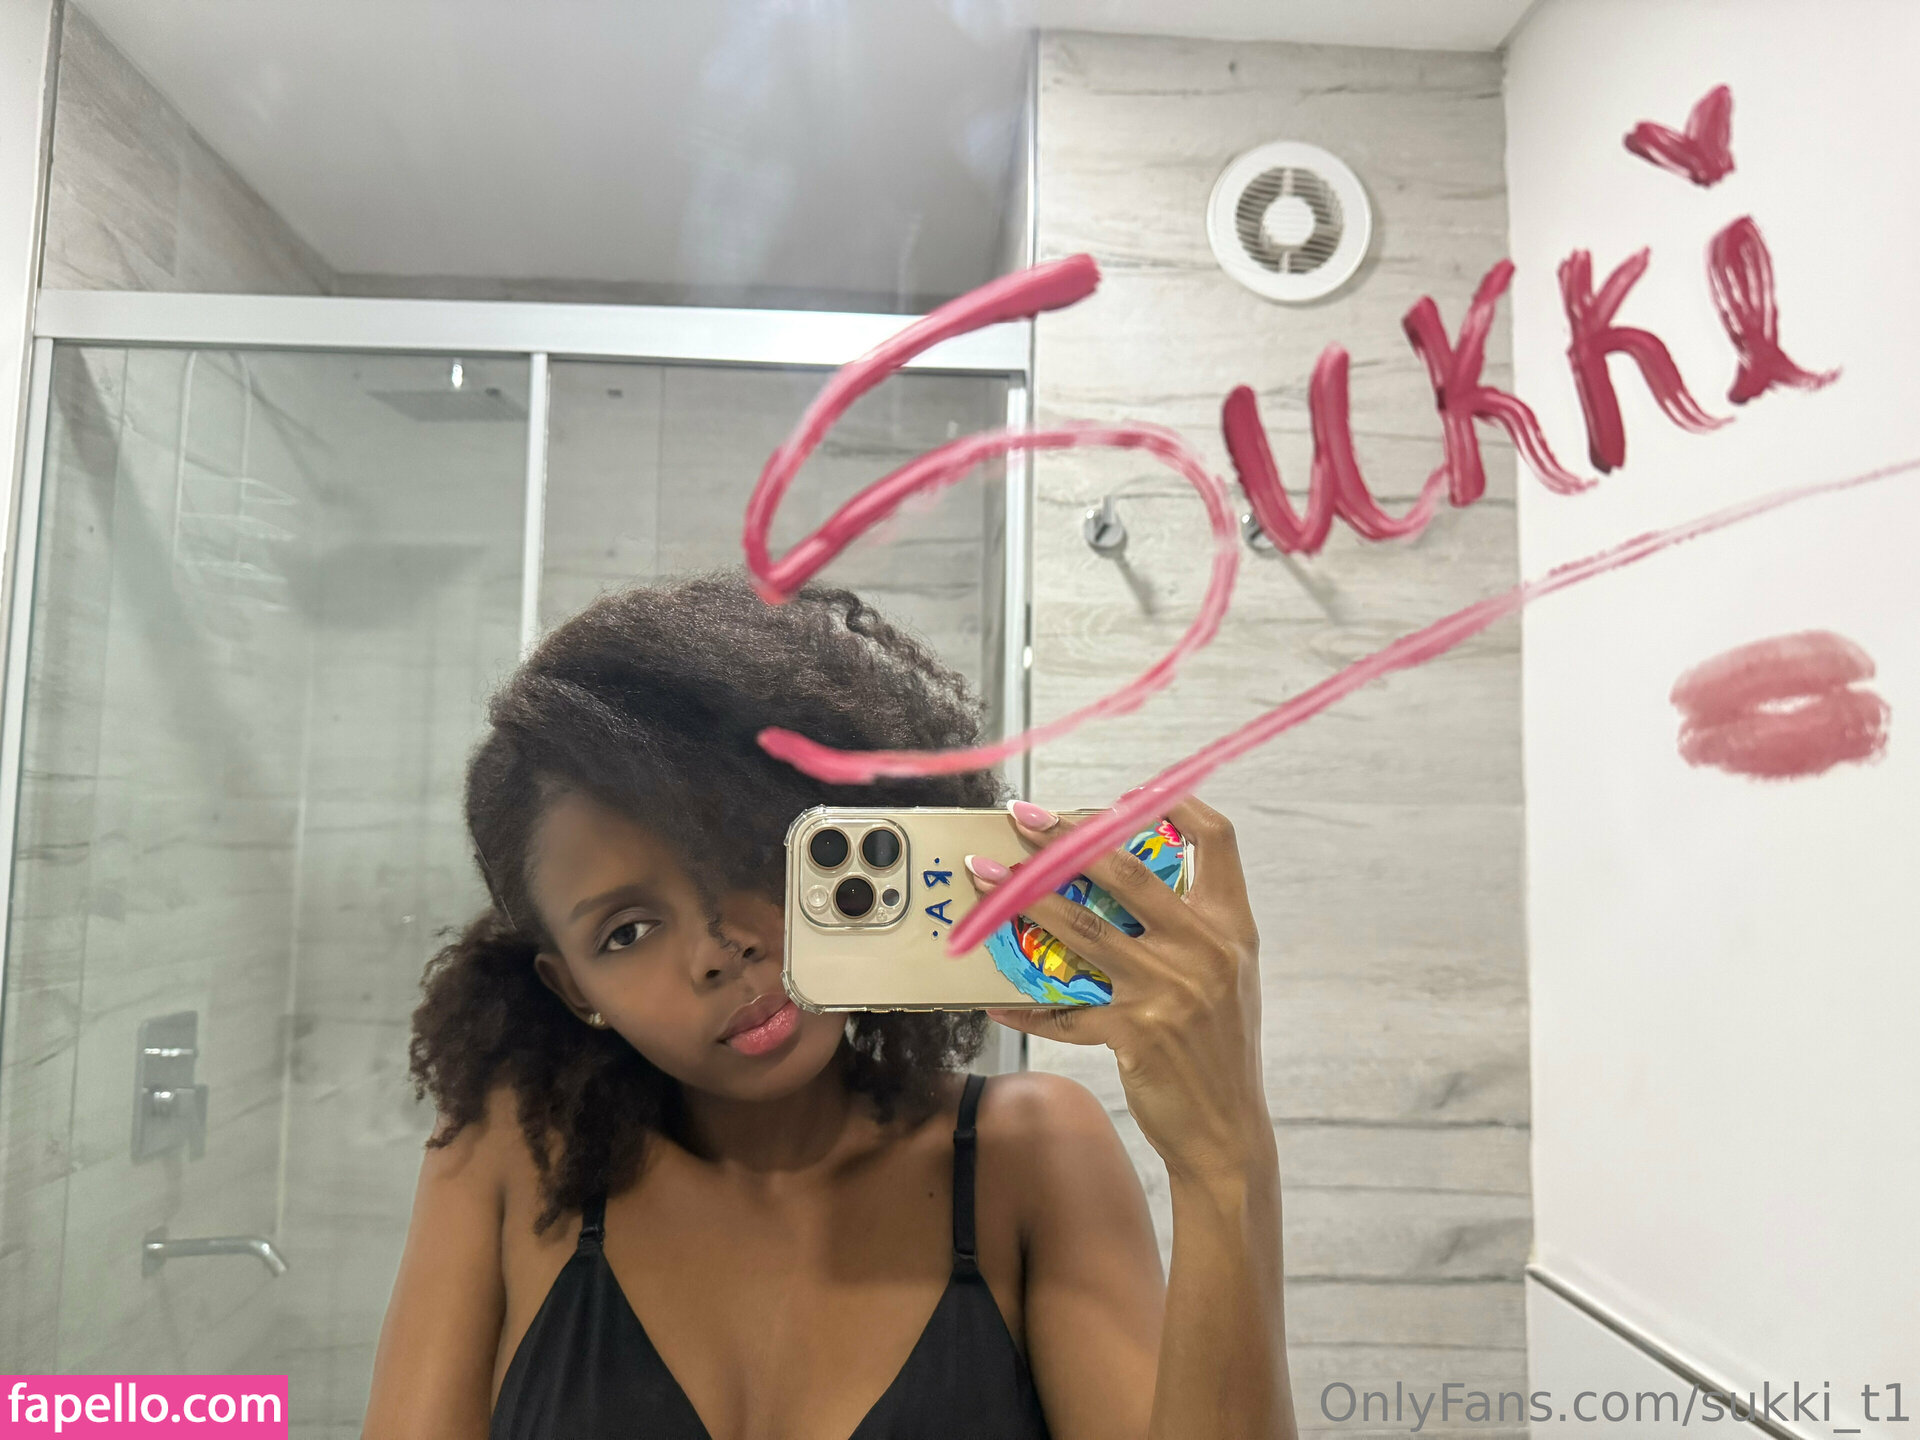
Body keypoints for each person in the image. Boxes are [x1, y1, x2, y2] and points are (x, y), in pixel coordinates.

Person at [363, 570, 1296, 1440]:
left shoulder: (1032, 1154)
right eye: (627, 931)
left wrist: (1226, 1162)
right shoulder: (505, 1160)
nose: (719, 950)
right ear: (573, 988)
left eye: (745, 857)